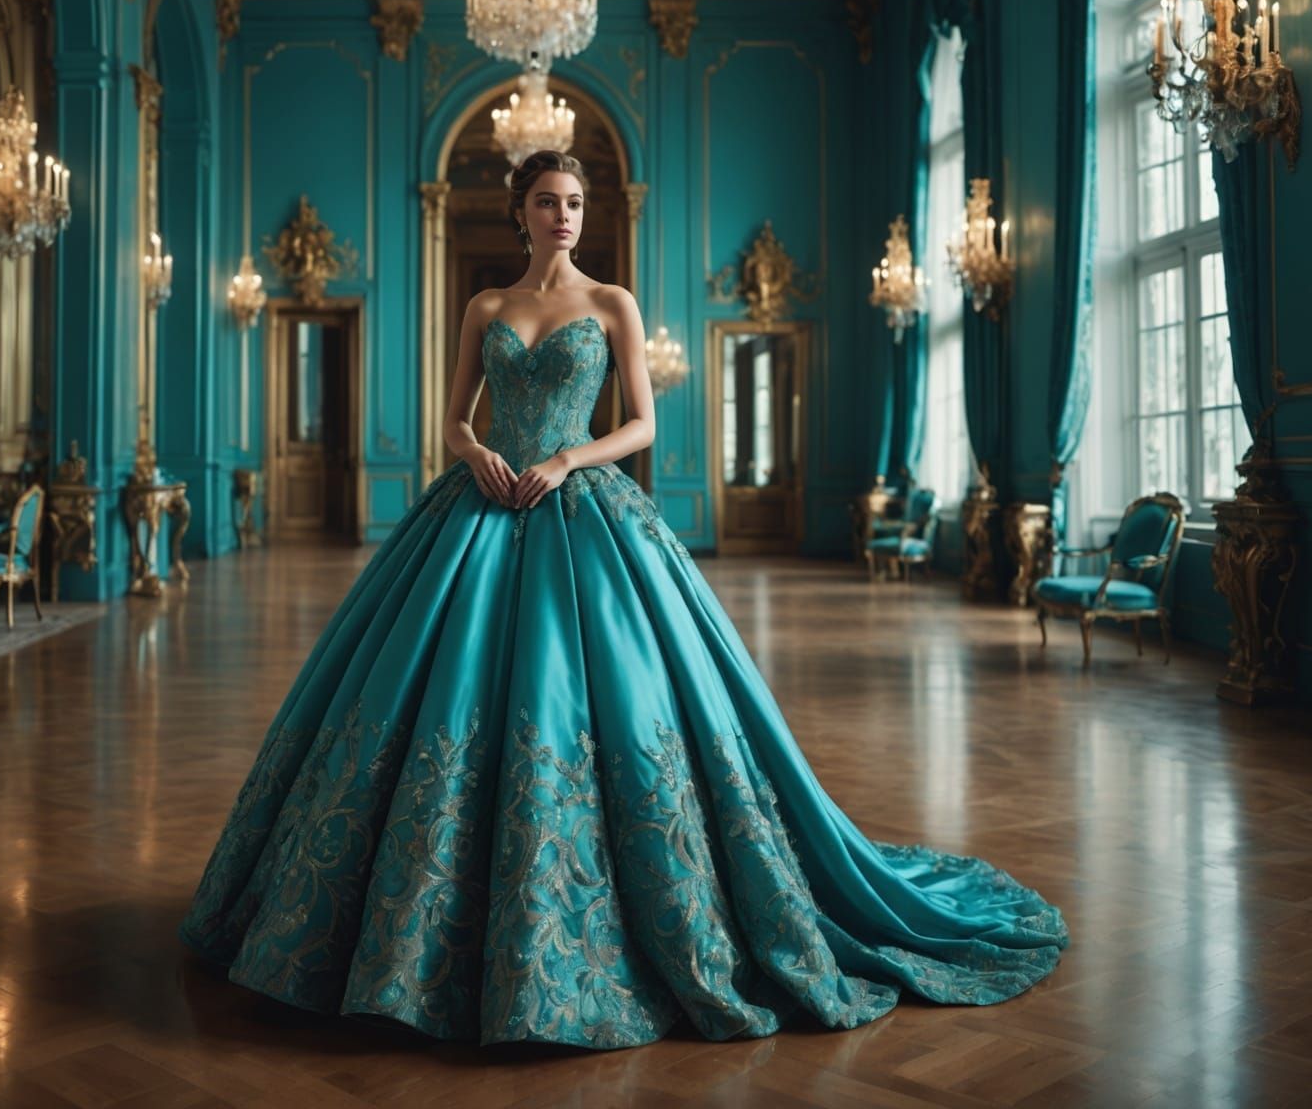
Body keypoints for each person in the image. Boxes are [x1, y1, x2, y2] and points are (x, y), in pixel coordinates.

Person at [179, 149, 1067, 1050]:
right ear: (517, 213)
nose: (563, 216)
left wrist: (568, 456)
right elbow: (453, 418)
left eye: (573, 202)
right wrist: (474, 452)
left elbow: (644, 422)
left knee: (616, 691)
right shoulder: (486, 306)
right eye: (545, 202)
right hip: (478, 512)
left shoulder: (613, 305)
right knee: (424, 688)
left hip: (583, 511)